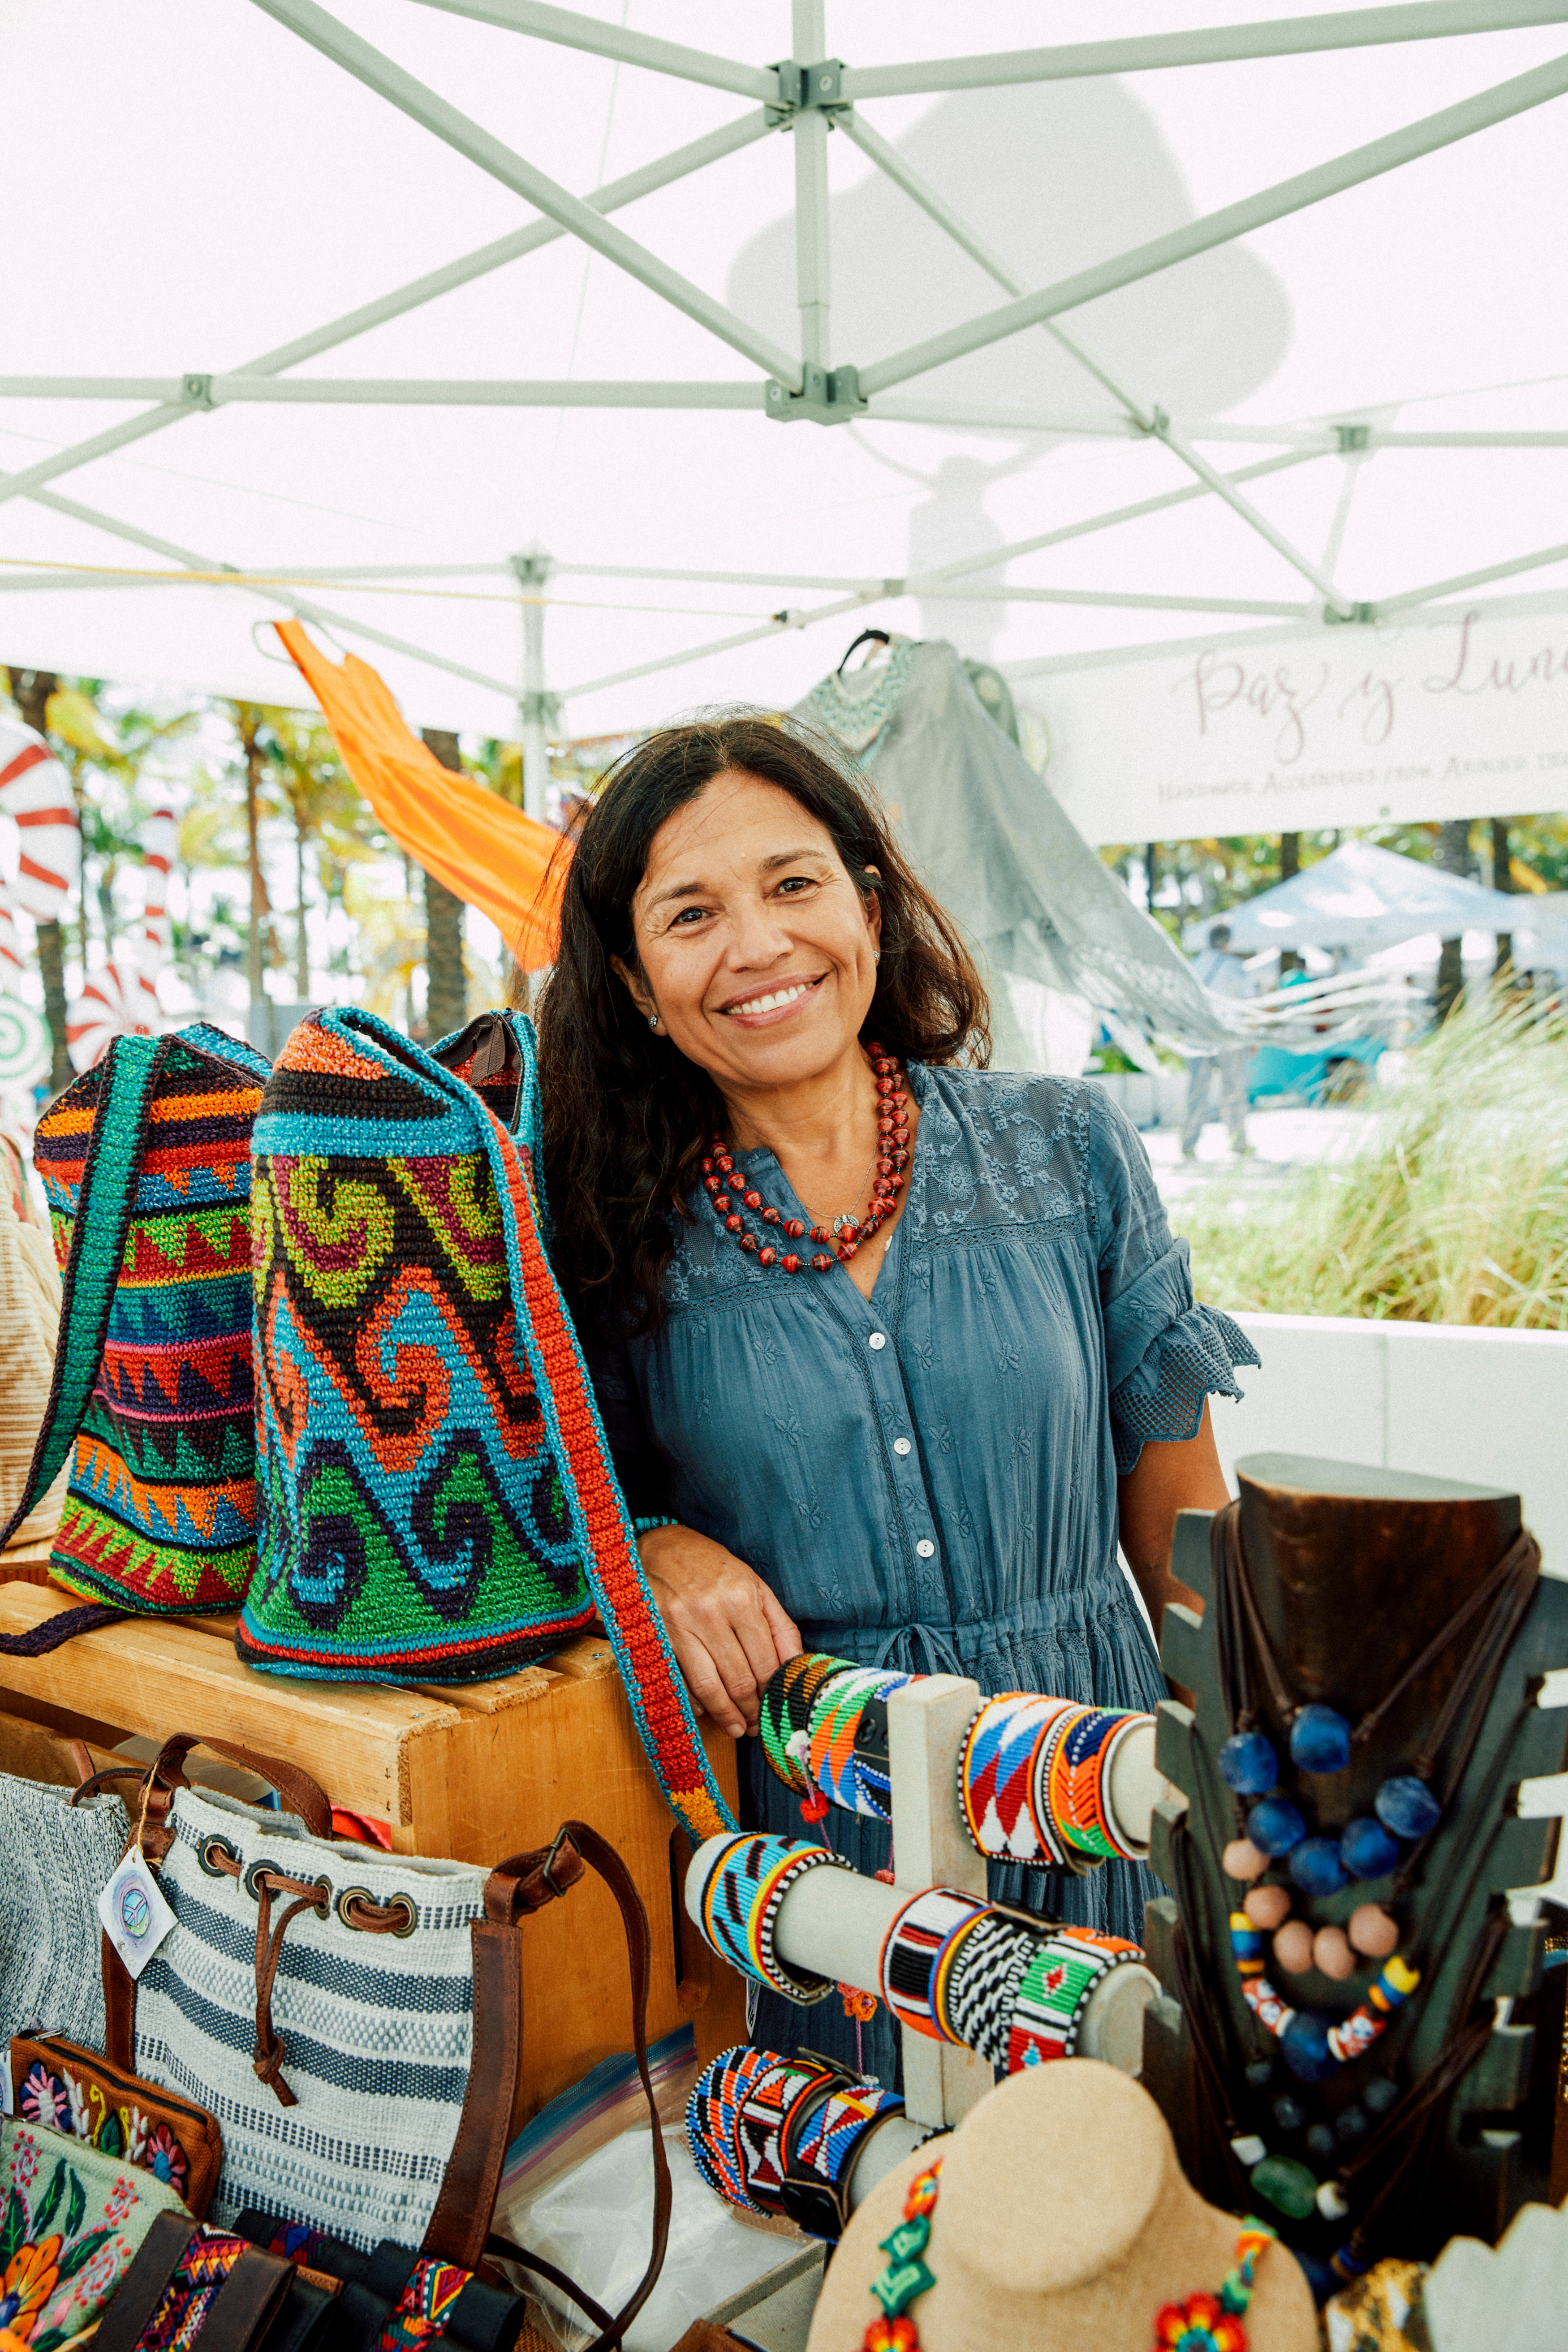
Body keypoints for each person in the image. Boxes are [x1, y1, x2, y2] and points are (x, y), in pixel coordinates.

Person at [535, 716, 1258, 2085]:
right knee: (882, 2234)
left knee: (1113, 2204)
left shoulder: (1067, 1150)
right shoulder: (598, 1234)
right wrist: (646, 1544)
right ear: (633, 983)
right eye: (691, 912)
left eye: (793, 883)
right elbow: (558, 1502)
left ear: (867, 907)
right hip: (830, 1861)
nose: (757, 944)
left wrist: (1244, 1807)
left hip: (1097, 1800)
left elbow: (1182, 1548)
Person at [1180, 921, 1255, 1159]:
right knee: (1233, 1092)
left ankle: (1189, 1143)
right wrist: (1253, 1037)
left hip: (1198, 1039)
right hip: (1229, 1038)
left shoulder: (1193, 966)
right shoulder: (1235, 967)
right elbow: (1248, 1003)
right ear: (1228, 941)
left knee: (1196, 1092)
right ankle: (1238, 1141)